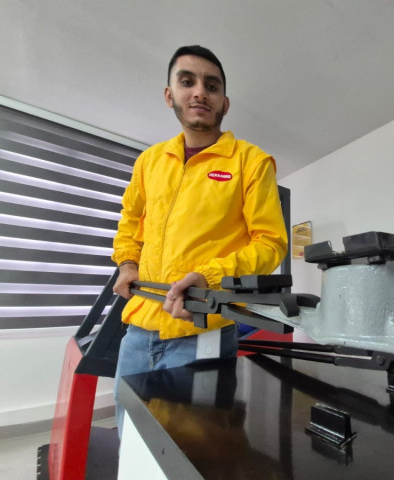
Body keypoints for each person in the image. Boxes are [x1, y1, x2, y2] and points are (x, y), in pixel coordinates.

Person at [111, 45, 288, 434]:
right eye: (187, 81)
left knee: (198, 446)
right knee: (131, 436)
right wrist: (127, 263)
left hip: (204, 330)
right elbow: (130, 222)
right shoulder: (149, 162)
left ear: (225, 102)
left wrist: (208, 276)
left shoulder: (251, 162)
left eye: (211, 86)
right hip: (139, 328)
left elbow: (271, 243)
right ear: (169, 94)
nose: (199, 93)